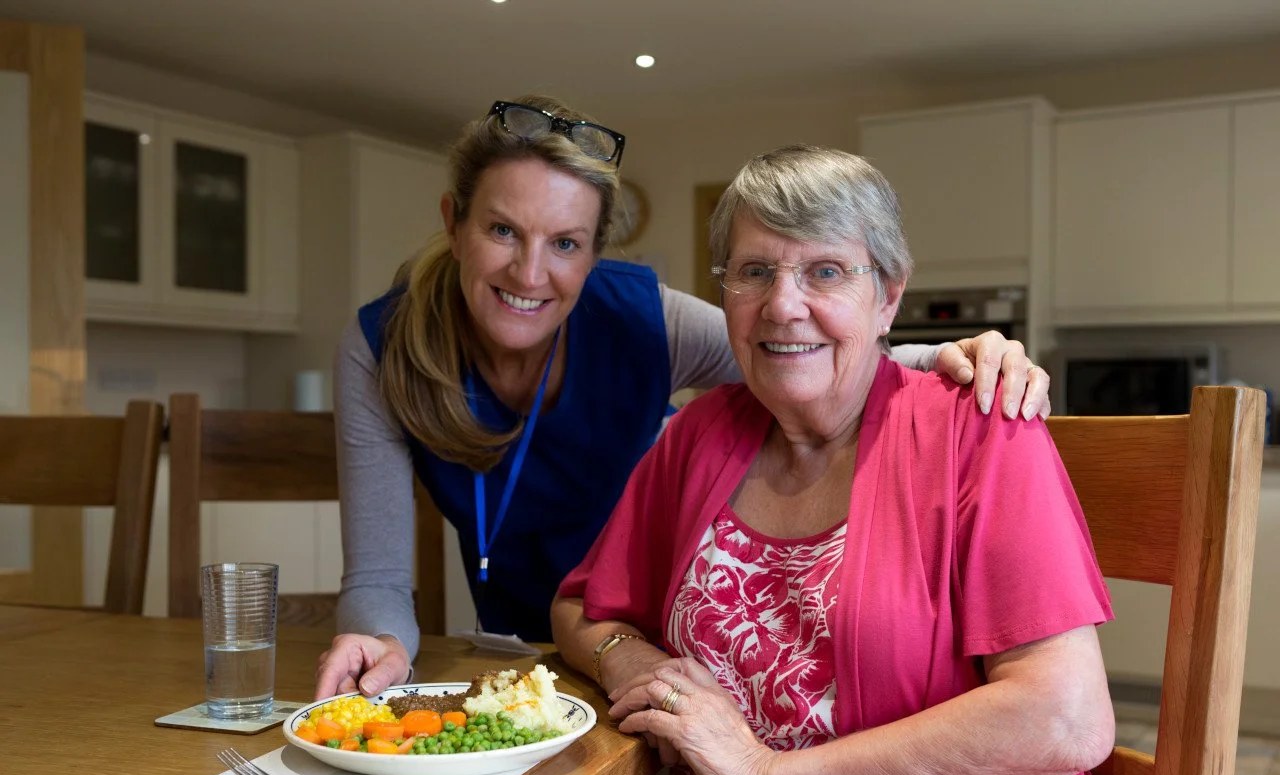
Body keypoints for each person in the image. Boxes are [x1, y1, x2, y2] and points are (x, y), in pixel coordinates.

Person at [315, 96, 1052, 701]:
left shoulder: (644, 320)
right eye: (503, 229)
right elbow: (378, 578)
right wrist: (379, 644)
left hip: (652, 644)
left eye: (566, 243)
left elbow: (788, 353)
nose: (530, 271)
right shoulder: (383, 345)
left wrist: (950, 357)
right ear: (454, 221)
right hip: (533, 656)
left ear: (597, 253)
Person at [552, 145, 1113, 775]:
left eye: (826, 271)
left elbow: (1065, 717)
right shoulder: (698, 434)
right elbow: (579, 606)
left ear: (888, 296)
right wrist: (635, 662)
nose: (783, 305)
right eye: (755, 271)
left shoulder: (978, 429)